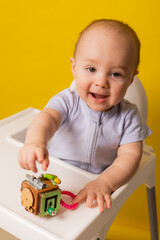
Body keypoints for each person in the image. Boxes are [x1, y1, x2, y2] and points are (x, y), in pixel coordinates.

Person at [18, 19, 151, 213]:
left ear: (131, 79)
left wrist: (105, 182)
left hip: (95, 186)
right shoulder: (68, 101)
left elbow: (130, 155)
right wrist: (34, 142)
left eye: (116, 74)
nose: (101, 82)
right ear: (74, 67)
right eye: (91, 69)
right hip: (54, 175)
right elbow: (46, 119)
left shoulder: (128, 116)